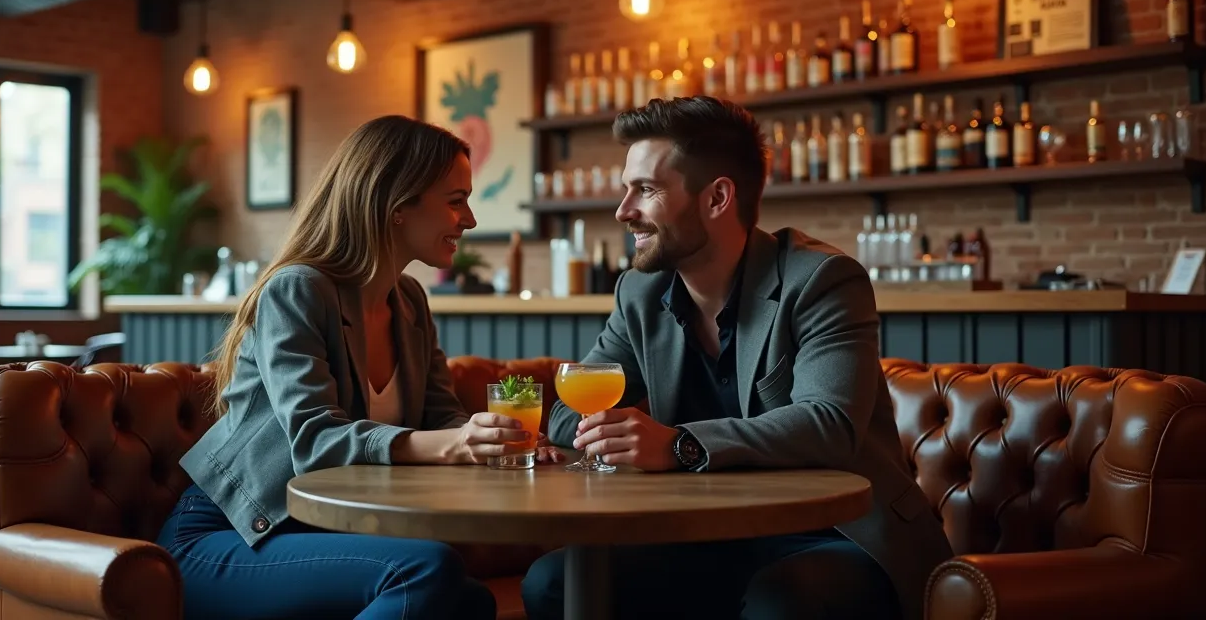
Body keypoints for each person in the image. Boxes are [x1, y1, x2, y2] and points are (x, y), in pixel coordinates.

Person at [521, 97, 954, 620]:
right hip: (706, 535)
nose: (623, 210)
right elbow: (573, 408)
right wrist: (603, 434)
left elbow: (829, 423)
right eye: (625, 189)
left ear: (718, 197)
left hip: (837, 536)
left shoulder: (821, 281)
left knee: (781, 600)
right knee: (553, 583)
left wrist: (678, 445)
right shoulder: (639, 293)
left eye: (647, 189)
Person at [158, 115, 560, 619]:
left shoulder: (410, 301)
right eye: (456, 201)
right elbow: (314, 441)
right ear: (396, 205)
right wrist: (454, 444)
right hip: (229, 535)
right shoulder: (298, 290)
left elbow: (443, 418)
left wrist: (493, 438)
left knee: (468, 601)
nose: (471, 220)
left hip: (317, 535)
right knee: (423, 572)